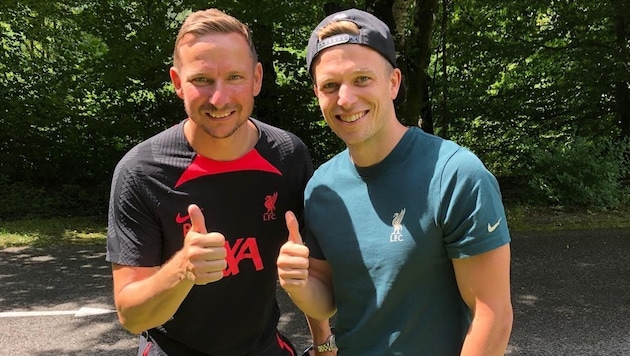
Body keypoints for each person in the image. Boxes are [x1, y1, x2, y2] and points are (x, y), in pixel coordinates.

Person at [277, 8, 513, 355]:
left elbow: (493, 316)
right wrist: (297, 284)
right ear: (317, 95)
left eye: (361, 79)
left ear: (393, 83)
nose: (345, 98)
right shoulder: (321, 188)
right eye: (331, 85)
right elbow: (326, 301)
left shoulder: (456, 174)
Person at [106, 8, 327, 356]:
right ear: (178, 83)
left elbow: (308, 268)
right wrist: (182, 269)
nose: (219, 98)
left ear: (257, 78)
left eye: (235, 77)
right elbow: (132, 316)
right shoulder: (141, 171)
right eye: (202, 80)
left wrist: (324, 344)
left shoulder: (289, 156)